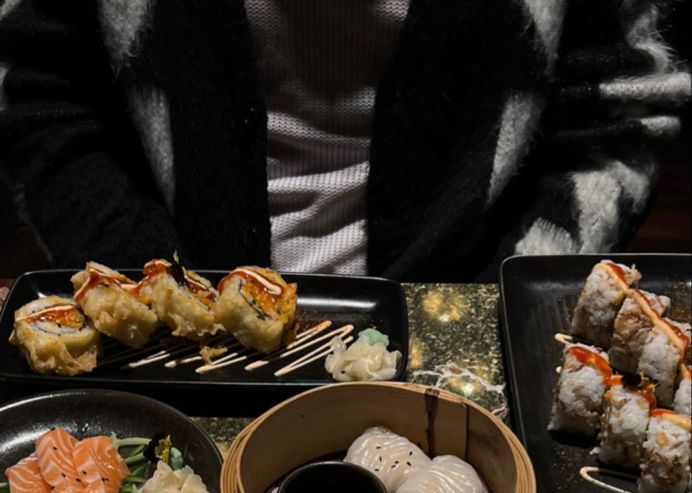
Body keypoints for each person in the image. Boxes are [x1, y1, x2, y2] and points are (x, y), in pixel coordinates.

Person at [0, 0, 689, 280]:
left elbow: (624, 102)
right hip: (164, 336)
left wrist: (497, 310)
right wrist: (143, 290)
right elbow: (35, 85)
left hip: (472, 332)